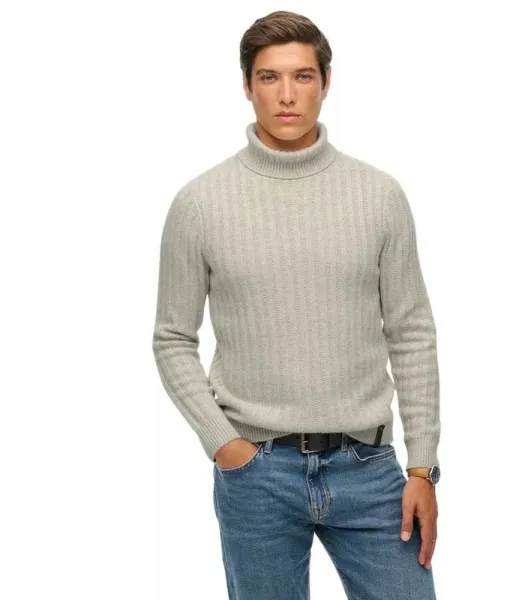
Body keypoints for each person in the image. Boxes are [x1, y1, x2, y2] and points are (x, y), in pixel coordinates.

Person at [152, 10, 441, 600]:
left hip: (368, 467)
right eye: (269, 77)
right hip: (255, 472)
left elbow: (411, 330)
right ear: (246, 85)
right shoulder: (200, 204)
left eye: (303, 76)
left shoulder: (379, 196)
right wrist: (224, 443)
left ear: (326, 82)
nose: (287, 95)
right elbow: (172, 338)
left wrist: (422, 466)